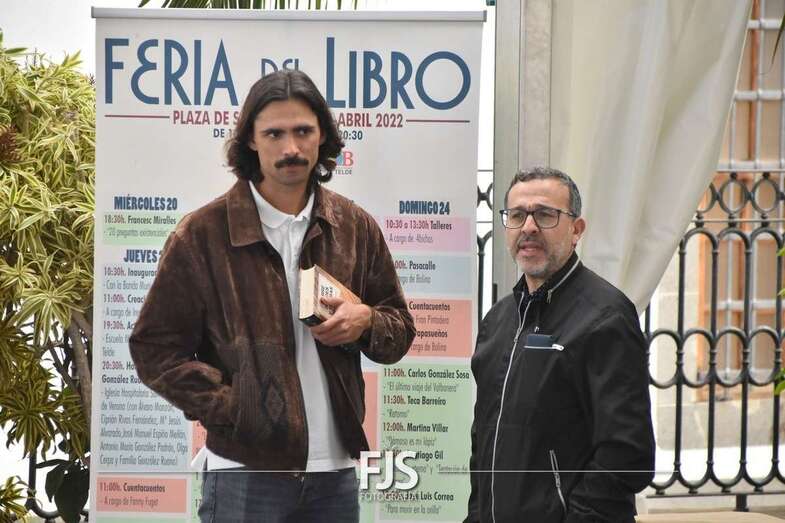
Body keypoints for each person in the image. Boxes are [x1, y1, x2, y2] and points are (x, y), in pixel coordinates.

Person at [129, 69, 416, 523]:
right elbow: (154, 349)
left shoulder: (354, 227)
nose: (291, 148)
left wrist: (366, 321)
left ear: (323, 136)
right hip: (245, 470)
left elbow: (399, 331)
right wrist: (235, 408)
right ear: (250, 141)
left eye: (303, 131)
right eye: (274, 134)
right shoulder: (202, 235)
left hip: (335, 471)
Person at [465, 167, 655, 523]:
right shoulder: (499, 321)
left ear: (576, 229)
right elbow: (484, 443)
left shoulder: (605, 317)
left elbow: (627, 453)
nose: (529, 227)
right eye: (518, 215)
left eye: (546, 214)